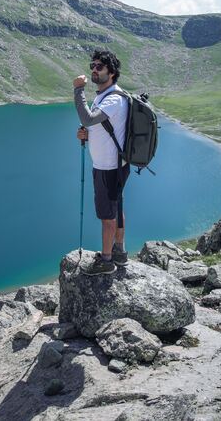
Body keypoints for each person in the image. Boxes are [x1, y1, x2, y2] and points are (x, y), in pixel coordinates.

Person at [73, 49, 130, 274]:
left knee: (107, 214)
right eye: (93, 66)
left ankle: (106, 262)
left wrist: (78, 89)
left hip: (108, 167)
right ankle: (119, 251)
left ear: (112, 72)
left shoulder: (114, 98)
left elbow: (87, 118)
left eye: (99, 67)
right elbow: (100, 126)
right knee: (116, 206)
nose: (94, 70)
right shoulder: (105, 96)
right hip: (113, 164)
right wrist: (88, 135)